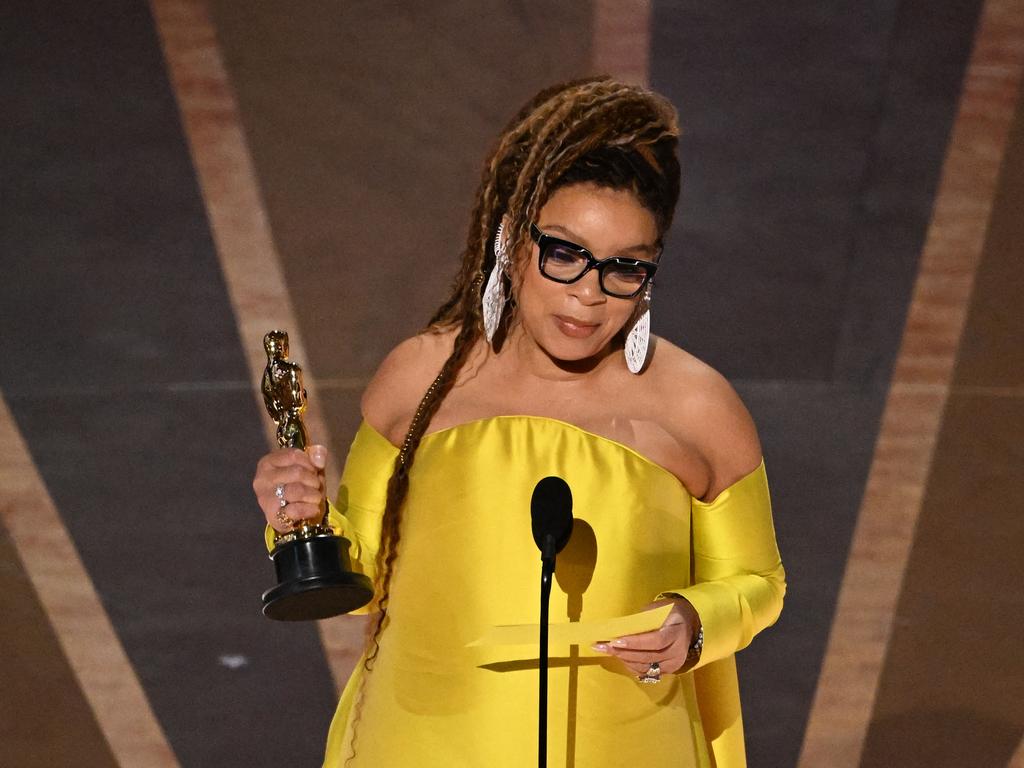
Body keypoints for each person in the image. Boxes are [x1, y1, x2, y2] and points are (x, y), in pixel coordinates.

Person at [252, 77, 785, 768]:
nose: (588, 295)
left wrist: (694, 620)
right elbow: (363, 585)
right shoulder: (423, 376)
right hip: (427, 742)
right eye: (563, 252)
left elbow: (757, 580)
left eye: (624, 268)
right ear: (511, 236)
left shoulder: (696, 405)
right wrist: (300, 519)